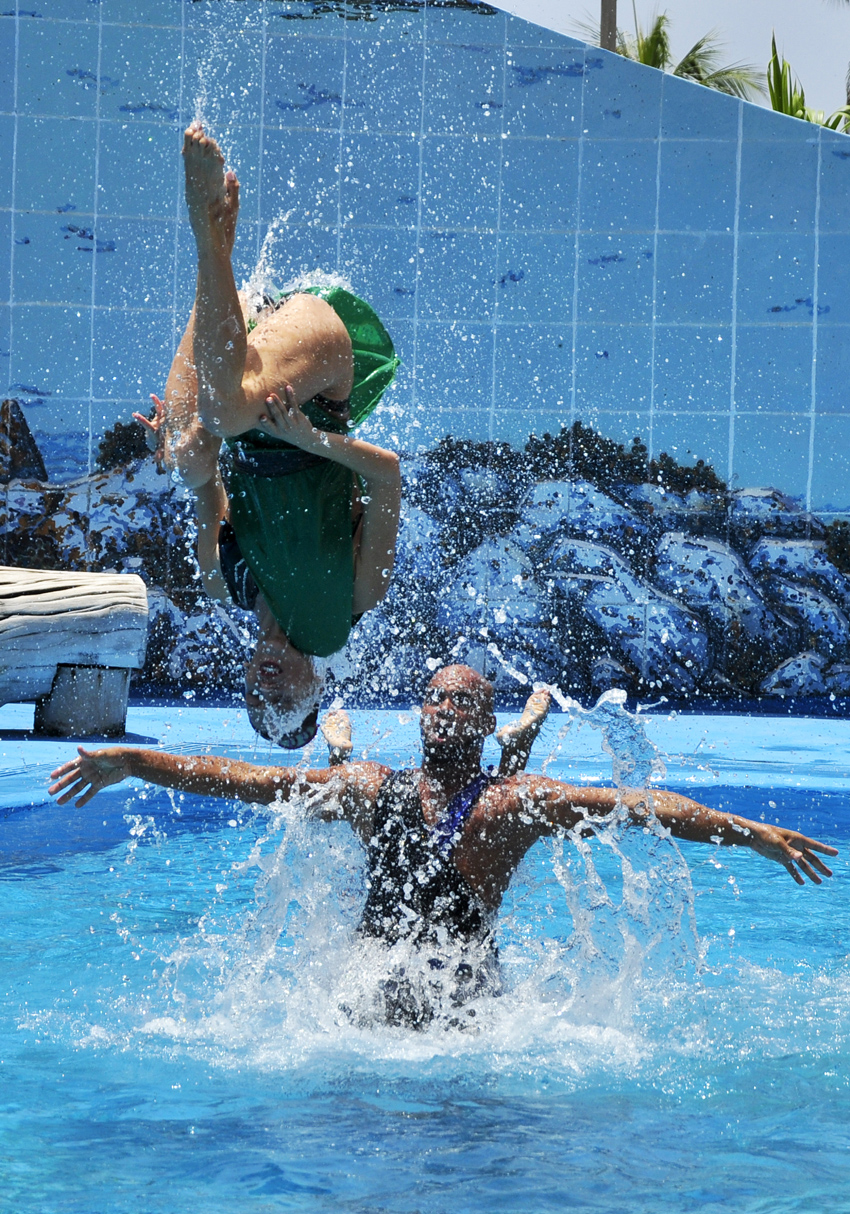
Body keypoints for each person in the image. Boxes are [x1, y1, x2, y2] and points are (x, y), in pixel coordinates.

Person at [49, 666, 837, 1027]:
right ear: (421, 714)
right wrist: (137, 763)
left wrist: (753, 835)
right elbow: (248, 781)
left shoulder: (517, 803)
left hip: (468, 993)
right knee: (343, 784)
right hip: (375, 977)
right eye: (437, 699)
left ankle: (527, 728)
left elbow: (638, 805)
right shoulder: (372, 785)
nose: (448, 710)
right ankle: (342, 741)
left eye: (467, 703)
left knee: (490, 795)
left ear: (479, 720)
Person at [135, 123, 402, 748]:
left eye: (257, 695)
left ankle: (218, 258)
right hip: (324, 374)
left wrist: (173, 444)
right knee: (228, 412)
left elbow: (206, 481)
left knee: (184, 453)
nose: (269, 684)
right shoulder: (359, 595)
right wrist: (310, 438)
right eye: (285, 697)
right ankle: (212, 235)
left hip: (243, 378)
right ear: (319, 690)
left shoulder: (221, 581)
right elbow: (387, 474)